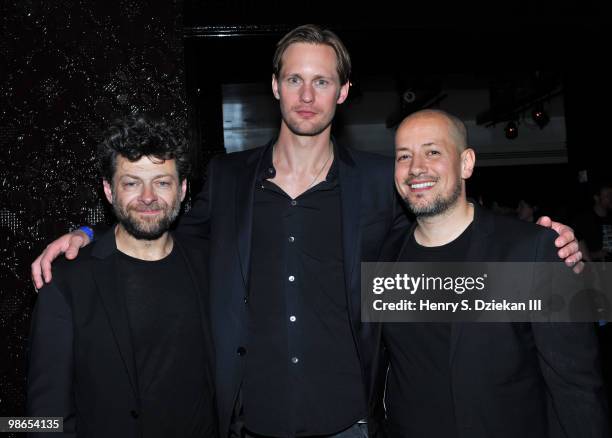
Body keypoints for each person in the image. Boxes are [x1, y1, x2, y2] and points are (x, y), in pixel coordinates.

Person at [30, 25, 582, 438]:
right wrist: (85, 234)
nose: (307, 94)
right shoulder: (228, 178)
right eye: (295, 79)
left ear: (343, 92)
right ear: (275, 86)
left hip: (352, 425)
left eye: (322, 81)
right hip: (251, 426)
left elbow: (445, 237)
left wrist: (550, 263)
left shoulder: (375, 181)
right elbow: (156, 223)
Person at [383, 109, 609, 438]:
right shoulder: (386, 255)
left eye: (433, 151)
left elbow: (576, 385)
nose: (416, 167)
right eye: (404, 156)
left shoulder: (531, 251)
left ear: (466, 163)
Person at [27, 115, 216, 437]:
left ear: (183, 189)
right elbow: (44, 414)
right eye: (131, 183)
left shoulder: (213, 262)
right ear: (108, 190)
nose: (147, 197)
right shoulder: (66, 280)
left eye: (162, 182)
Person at [575, 180, 612, 262]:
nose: (611, 198)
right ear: (597, 198)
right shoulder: (584, 221)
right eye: (607, 195)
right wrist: (596, 254)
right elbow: (578, 253)